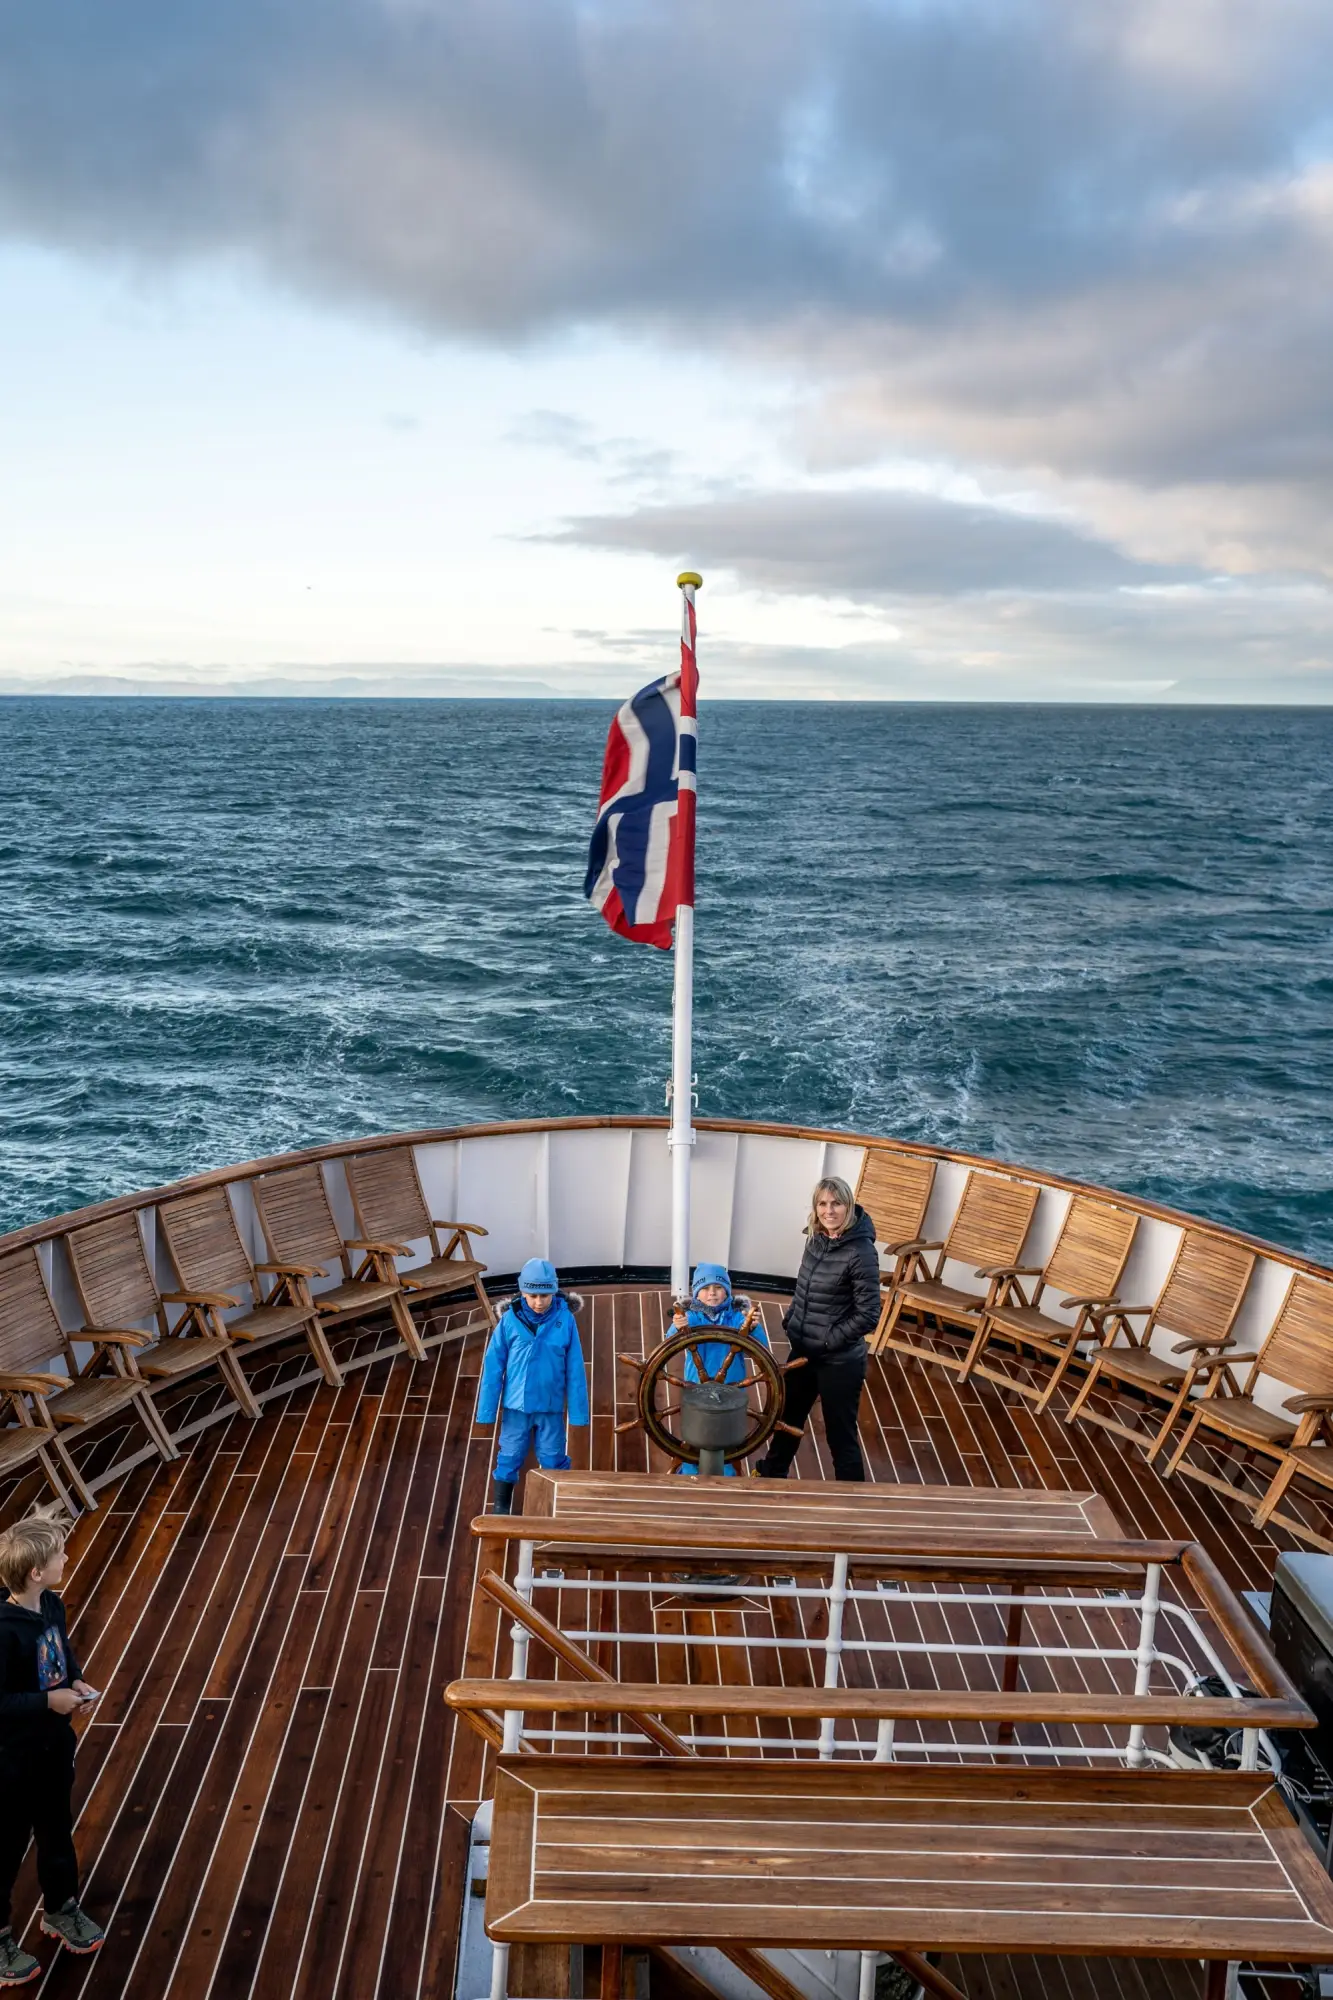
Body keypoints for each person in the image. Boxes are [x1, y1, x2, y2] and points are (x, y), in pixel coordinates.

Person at [0, 1512, 105, 1986]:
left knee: (56, 1830)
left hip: (53, 1747)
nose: (68, 1556)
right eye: (60, 1553)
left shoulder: (52, 1604)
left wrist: (75, 1681)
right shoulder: (4, 1632)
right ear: (35, 1571)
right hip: (11, 1761)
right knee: (5, 1848)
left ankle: (61, 1908)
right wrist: (49, 1701)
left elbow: (62, 1652)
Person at [755, 1176, 879, 1483]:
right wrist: (792, 1320)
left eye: (836, 1203)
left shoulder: (861, 1251)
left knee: (840, 1434)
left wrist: (826, 1342)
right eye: (822, 1204)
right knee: (787, 1420)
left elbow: (868, 1315)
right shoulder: (815, 1239)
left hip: (839, 1360)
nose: (829, 1211)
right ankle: (771, 1476)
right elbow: (804, 1288)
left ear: (848, 1206)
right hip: (804, 1350)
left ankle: (852, 1497)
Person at [476, 1258, 589, 1515]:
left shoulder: (565, 1320)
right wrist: (486, 1413)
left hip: (550, 1406)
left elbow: (575, 1369)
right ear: (523, 1292)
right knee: (510, 1454)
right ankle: (502, 1506)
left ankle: (556, 1503)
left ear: (554, 1293)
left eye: (545, 1296)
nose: (539, 1302)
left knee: (553, 1457)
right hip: (516, 1408)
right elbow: (493, 1368)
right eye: (533, 1296)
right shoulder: (508, 1322)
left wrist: (579, 1415)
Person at [672, 1263, 771, 1477]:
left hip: (731, 1390)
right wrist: (677, 1326)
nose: (712, 1293)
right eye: (706, 1288)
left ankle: (725, 1470)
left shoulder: (738, 1318)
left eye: (718, 1287)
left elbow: (763, 1350)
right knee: (696, 1429)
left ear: (727, 1291)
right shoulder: (691, 1317)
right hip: (697, 1388)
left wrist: (754, 1328)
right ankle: (689, 1468)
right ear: (696, 1293)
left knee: (727, 1432)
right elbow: (668, 1344)